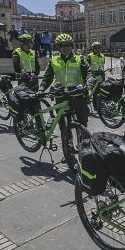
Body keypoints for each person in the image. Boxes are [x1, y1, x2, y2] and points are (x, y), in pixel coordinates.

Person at [40, 33, 88, 165]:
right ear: (59, 47)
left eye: (68, 45)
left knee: (82, 125)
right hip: (61, 97)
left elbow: (87, 74)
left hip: (77, 96)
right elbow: (47, 77)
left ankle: (85, 150)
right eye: (62, 46)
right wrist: (41, 89)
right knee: (64, 128)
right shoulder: (54, 60)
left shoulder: (80, 58)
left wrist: (87, 84)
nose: (65, 48)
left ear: (71, 46)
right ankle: (68, 152)